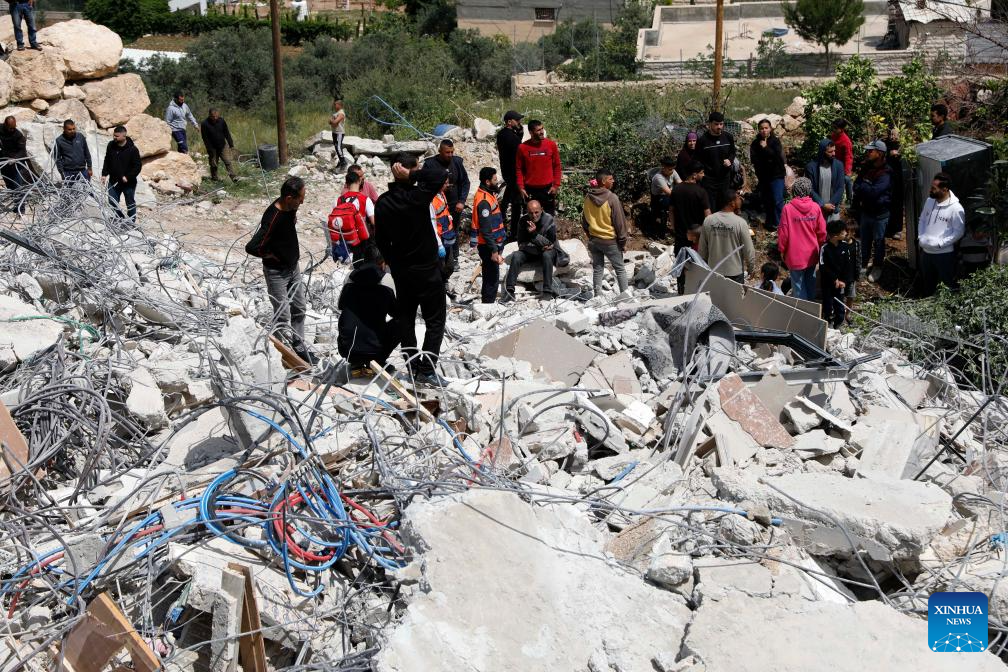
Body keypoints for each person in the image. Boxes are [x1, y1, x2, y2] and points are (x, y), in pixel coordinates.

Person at [374, 155, 450, 385]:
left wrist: (394, 263)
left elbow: (381, 240)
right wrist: (413, 175)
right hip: (427, 271)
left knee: (406, 320)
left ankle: (413, 366)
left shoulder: (383, 202)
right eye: (416, 168)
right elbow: (441, 174)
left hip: (402, 272)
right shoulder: (418, 196)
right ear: (407, 171)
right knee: (435, 321)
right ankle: (426, 370)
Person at [245, 176, 311, 361]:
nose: (302, 202)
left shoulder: (290, 207)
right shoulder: (273, 218)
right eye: (300, 198)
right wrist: (271, 256)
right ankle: (280, 354)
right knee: (282, 314)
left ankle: (298, 345)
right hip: (277, 273)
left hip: (293, 268)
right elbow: (252, 247)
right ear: (289, 198)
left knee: (299, 308)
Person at [337, 256, 400, 372]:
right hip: (375, 351)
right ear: (382, 263)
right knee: (403, 322)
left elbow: (341, 305)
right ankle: (379, 361)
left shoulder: (350, 276)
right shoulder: (387, 279)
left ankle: (357, 362)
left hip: (347, 350)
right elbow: (396, 313)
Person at [778, 177, 827, 300]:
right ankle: (811, 308)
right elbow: (822, 232)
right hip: (811, 253)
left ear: (795, 190)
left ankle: (802, 310)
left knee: (798, 287)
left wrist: (782, 250)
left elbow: (783, 233)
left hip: (794, 254)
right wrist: (821, 246)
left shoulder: (788, 208)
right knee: (810, 283)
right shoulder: (816, 207)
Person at [917, 172, 965, 296]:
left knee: (947, 286)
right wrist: (921, 237)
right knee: (928, 284)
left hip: (944, 255)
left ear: (944, 189)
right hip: (926, 253)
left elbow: (959, 232)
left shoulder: (956, 208)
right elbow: (922, 220)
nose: (930, 190)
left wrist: (940, 244)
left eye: (934, 188)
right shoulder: (929, 201)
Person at [582, 169, 628, 297]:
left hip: (594, 240)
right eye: (610, 179)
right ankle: (626, 297)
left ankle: (597, 296)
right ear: (603, 181)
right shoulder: (612, 198)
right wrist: (622, 242)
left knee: (598, 269)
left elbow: (584, 221)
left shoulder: (588, 198)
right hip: (609, 241)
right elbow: (619, 223)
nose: (613, 181)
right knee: (620, 269)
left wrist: (590, 235)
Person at [852, 140, 892, 282]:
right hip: (866, 212)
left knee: (879, 242)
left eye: (871, 151)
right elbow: (855, 186)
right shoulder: (867, 167)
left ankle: (877, 266)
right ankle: (863, 264)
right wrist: (866, 188)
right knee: (865, 241)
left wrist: (864, 187)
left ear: (879, 153)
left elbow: (874, 193)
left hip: (880, 215)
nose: (868, 153)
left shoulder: (886, 172)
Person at [698, 188, 756, 284]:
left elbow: (702, 249)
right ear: (732, 203)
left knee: (715, 294)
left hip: (713, 271)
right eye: (738, 198)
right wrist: (751, 268)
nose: (741, 200)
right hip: (735, 273)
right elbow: (749, 250)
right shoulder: (740, 223)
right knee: (734, 295)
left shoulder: (708, 220)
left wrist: (702, 268)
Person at [504, 200, 558, 300]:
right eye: (531, 213)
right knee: (516, 255)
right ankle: (510, 290)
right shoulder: (523, 221)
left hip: (547, 252)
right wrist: (539, 247)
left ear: (541, 210)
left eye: (536, 212)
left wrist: (534, 235)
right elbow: (521, 244)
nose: (534, 215)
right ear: (527, 212)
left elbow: (550, 243)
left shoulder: (549, 220)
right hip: (532, 251)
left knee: (547, 255)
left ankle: (547, 291)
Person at [671, 162, 711, 294]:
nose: (703, 175)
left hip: (680, 234)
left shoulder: (676, 189)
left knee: (680, 262)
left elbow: (671, 210)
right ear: (694, 175)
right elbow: (708, 216)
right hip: (697, 237)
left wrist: (674, 227)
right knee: (698, 264)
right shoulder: (701, 192)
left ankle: (681, 291)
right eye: (701, 173)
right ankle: (696, 292)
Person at [470, 167, 507, 303]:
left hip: (490, 243)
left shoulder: (487, 194)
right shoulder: (484, 201)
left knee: (489, 274)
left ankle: (487, 301)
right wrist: (494, 250)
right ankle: (488, 304)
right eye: (495, 180)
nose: (497, 182)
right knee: (491, 277)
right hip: (488, 245)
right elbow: (486, 229)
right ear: (487, 181)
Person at [516, 119, 562, 215]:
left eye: (542, 129)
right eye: (538, 130)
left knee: (548, 218)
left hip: (548, 190)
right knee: (531, 218)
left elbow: (557, 166)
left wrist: (556, 185)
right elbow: (519, 169)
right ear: (531, 132)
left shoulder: (551, 145)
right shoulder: (522, 148)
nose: (542, 132)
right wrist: (521, 187)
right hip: (530, 190)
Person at [327, 174, 373, 266]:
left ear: (346, 184)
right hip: (360, 242)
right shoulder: (365, 199)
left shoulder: (338, 200)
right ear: (359, 181)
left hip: (344, 243)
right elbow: (373, 222)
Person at [749, 118, 786, 232]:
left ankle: (780, 225)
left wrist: (766, 148)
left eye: (766, 128)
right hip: (764, 177)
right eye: (761, 128)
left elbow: (778, 158)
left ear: (770, 129)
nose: (764, 130)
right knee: (767, 201)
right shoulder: (755, 144)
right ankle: (770, 224)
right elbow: (754, 160)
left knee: (777, 200)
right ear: (758, 130)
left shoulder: (775, 142)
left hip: (776, 175)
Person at [695, 111, 736, 210]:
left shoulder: (728, 137)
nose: (719, 127)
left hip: (725, 178)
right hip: (709, 180)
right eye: (716, 124)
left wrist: (730, 160)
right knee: (711, 206)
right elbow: (697, 159)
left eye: (721, 124)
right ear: (710, 124)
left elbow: (733, 152)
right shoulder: (703, 140)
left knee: (723, 205)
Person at [819, 219, 856, 328]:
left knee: (839, 303)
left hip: (841, 283)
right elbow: (823, 266)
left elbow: (848, 265)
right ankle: (828, 321)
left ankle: (839, 322)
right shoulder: (824, 248)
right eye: (843, 231)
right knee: (828, 302)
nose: (846, 233)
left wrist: (843, 281)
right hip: (828, 282)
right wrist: (834, 279)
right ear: (835, 235)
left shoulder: (845, 246)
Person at [101, 125, 142, 223]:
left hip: (128, 183)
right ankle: (121, 219)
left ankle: (131, 223)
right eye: (114, 135)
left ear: (124, 136)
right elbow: (107, 160)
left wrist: (128, 177)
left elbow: (137, 166)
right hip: (114, 181)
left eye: (117, 136)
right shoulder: (111, 145)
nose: (114, 138)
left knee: (130, 203)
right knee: (112, 202)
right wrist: (104, 174)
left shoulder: (133, 150)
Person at [495, 110, 524, 239]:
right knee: (516, 203)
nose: (519, 122)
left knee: (508, 198)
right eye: (517, 120)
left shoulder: (502, 134)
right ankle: (514, 233)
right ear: (509, 122)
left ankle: (502, 221)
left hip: (507, 172)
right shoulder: (511, 137)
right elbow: (519, 151)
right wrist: (519, 136)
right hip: (514, 173)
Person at [427, 139, 469, 221]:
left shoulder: (457, 162)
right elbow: (423, 185)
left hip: (455, 205)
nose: (450, 155)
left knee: (454, 226)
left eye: (452, 152)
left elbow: (465, 182)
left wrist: (462, 201)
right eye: (447, 152)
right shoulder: (430, 165)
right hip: (437, 206)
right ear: (440, 151)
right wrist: (439, 188)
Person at [806, 139, 845, 223]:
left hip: (833, 209)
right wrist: (822, 204)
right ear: (822, 152)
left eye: (834, 151)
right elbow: (810, 188)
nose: (834, 154)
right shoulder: (811, 167)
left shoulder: (839, 165)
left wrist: (831, 204)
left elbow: (840, 187)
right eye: (830, 152)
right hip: (817, 209)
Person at [430, 182, 458, 290]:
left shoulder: (442, 194)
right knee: (441, 266)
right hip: (439, 238)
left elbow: (444, 210)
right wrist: (439, 244)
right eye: (445, 183)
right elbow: (432, 224)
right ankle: (441, 287)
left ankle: (444, 281)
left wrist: (449, 216)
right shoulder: (431, 200)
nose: (448, 185)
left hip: (447, 235)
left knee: (450, 265)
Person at [199, 108, 237, 182]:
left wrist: (231, 143)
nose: (215, 118)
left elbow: (226, 132)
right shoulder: (205, 124)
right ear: (210, 115)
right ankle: (215, 178)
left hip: (222, 146)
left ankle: (233, 177)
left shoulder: (221, 121)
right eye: (213, 116)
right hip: (212, 147)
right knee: (214, 164)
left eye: (216, 116)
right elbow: (205, 138)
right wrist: (209, 148)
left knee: (227, 161)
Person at [649, 156, 681, 236]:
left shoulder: (672, 171)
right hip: (658, 198)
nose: (672, 171)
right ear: (663, 168)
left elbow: (680, 184)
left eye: (673, 169)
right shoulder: (658, 177)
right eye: (670, 169)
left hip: (668, 195)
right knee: (675, 205)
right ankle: (673, 228)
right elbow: (669, 192)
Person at [884, 131, 904, 239]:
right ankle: (890, 228)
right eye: (891, 134)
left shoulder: (903, 146)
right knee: (889, 203)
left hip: (899, 180)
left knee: (897, 205)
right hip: (888, 179)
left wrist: (899, 154)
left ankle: (898, 229)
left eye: (894, 135)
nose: (892, 137)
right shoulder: (887, 146)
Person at [0, 116, 29, 188]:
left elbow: (22, 151)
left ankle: (19, 192)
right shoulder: (0, 128)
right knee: (7, 178)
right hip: (4, 156)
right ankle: (11, 192)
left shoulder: (18, 135)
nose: (12, 130)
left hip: (15, 159)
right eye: (10, 128)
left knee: (17, 181)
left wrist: (15, 158)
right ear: (5, 125)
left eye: (14, 127)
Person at [830, 119, 854, 204]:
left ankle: (849, 199)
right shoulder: (833, 135)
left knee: (847, 179)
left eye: (836, 128)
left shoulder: (846, 141)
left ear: (842, 129)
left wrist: (847, 171)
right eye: (833, 127)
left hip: (842, 165)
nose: (834, 129)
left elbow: (848, 157)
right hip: (834, 162)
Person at [330, 99, 347, 169]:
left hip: (339, 133)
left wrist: (332, 120)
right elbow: (330, 122)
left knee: (338, 147)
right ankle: (340, 161)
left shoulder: (341, 113)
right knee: (336, 147)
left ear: (339, 105)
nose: (334, 105)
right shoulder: (336, 112)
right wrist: (332, 121)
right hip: (334, 132)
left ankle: (343, 162)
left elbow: (334, 122)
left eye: (335, 104)